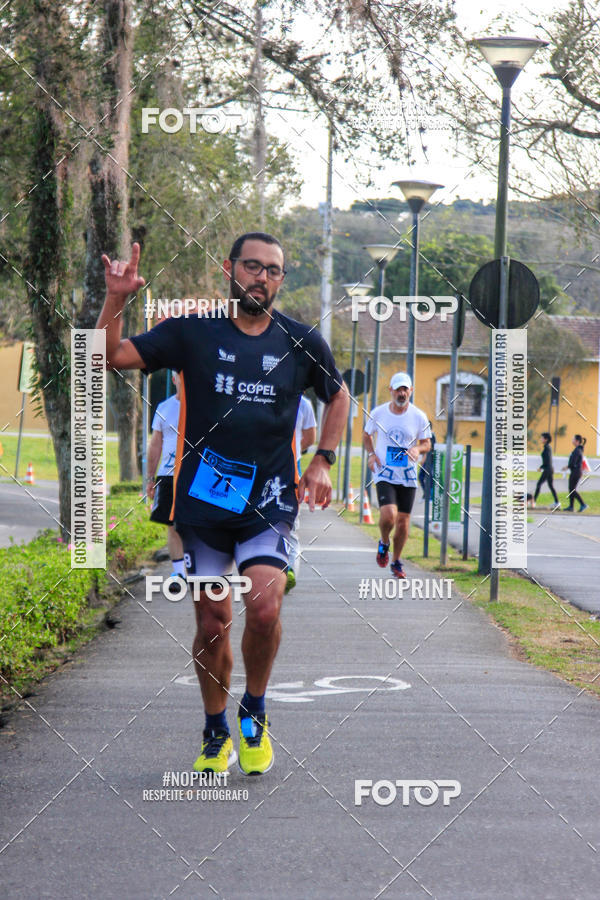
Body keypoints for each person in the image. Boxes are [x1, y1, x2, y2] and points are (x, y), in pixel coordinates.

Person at [97, 234, 348, 776]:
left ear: (282, 280)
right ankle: (216, 730)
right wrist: (116, 298)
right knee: (213, 621)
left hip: (270, 503)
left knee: (263, 607)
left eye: (274, 271)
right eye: (252, 266)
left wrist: (323, 458)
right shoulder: (192, 333)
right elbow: (109, 356)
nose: (262, 277)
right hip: (202, 510)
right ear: (229, 270)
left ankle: (254, 710)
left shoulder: (300, 341)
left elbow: (339, 394)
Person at [363, 372, 431, 579]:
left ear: (411, 391)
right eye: (398, 389)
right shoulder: (379, 413)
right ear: (390, 391)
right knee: (389, 514)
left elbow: (427, 443)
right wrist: (372, 455)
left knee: (403, 521)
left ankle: (396, 561)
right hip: (385, 472)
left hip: (408, 475)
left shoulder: (419, 416)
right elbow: (367, 435)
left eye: (405, 389)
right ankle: (384, 542)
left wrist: (418, 450)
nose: (402, 393)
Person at [147, 372, 186, 586]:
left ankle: (200, 569)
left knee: (196, 525)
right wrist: (150, 478)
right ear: (174, 379)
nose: (184, 379)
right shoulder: (164, 408)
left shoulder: (203, 405)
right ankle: (179, 572)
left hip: (194, 475)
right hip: (168, 475)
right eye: (180, 376)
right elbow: (155, 444)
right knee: (172, 525)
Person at [285, 394, 317, 593]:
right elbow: (310, 437)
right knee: (289, 525)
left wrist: (295, 448)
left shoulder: (304, 404)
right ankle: (285, 568)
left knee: (289, 522)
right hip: (283, 465)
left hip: (291, 469)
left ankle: (288, 571)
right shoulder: (304, 402)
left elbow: (311, 437)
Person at [532, 432, 559, 509]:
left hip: (547, 470)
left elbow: (547, 461)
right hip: (549, 469)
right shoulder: (547, 447)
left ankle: (533, 502)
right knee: (550, 486)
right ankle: (557, 502)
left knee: (539, 484)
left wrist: (541, 467)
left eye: (542, 438)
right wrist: (542, 467)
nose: (541, 439)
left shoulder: (547, 448)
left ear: (546, 439)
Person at [563, 434, 588, 512]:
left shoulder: (577, 450)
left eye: (573, 439)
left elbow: (573, 462)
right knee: (571, 489)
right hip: (576, 472)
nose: (572, 441)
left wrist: (567, 467)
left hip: (575, 472)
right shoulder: (578, 449)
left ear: (577, 441)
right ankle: (571, 506)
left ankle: (583, 504)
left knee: (572, 490)